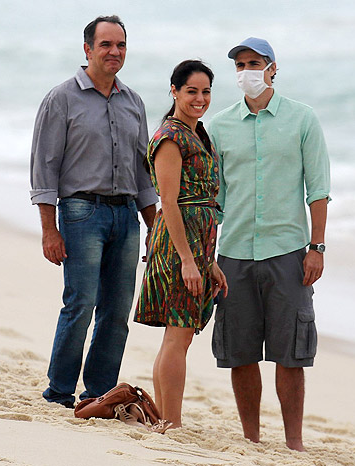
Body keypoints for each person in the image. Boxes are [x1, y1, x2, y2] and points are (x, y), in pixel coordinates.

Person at [29, 15, 158, 409]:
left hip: (126, 216)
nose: (114, 52)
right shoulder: (62, 98)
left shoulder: (133, 101)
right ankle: (59, 393)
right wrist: (50, 231)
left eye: (120, 45)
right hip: (81, 212)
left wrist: (155, 227)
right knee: (81, 303)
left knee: (117, 311)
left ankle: (98, 395)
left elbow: (143, 171)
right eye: (105, 45)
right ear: (87, 49)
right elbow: (44, 167)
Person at [208, 37, 330, 451]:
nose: (247, 71)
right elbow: (214, 199)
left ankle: (293, 442)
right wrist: (208, 255)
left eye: (254, 62)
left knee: (290, 353)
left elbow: (319, 189)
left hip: (289, 252)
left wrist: (317, 247)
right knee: (239, 352)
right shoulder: (219, 126)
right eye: (240, 65)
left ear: (273, 67)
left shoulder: (302, 119)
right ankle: (252, 439)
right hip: (235, 253)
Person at [134, 60, 228, 430]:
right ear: (174, 91)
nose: (200, 98)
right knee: (180, 333)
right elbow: (168, 203)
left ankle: (163, 417)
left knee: (179, 335)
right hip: (178, 245)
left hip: (195, 245)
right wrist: (189, 261)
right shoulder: (171, 137)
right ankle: (171, 422)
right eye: (191, 91)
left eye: (206, 91)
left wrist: (209, 262)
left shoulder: (198, 133)